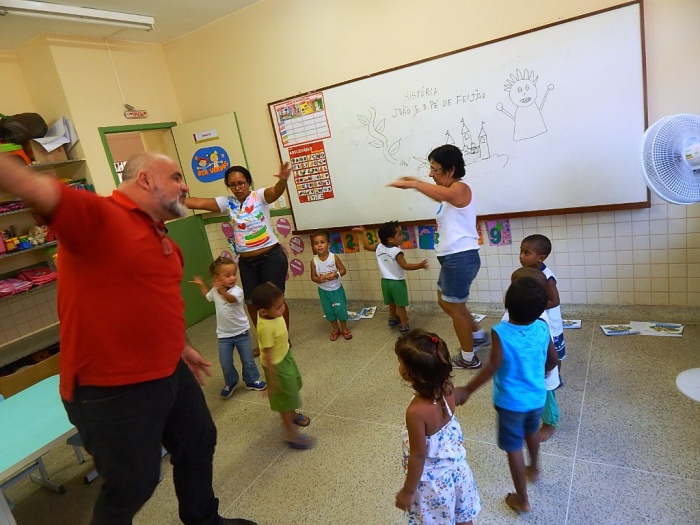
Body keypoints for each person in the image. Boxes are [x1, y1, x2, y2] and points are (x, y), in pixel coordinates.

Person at [0, 153, 257, 525]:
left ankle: (203, 519)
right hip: (109, 388)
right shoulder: (99, 216)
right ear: (146, 179)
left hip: (167, 369)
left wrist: (180, 344)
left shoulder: (161, 236)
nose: (185, 185)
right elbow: (28, 184)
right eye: (176, 176)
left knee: (198, 440)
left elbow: (154, 299)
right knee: (134, 483)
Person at [454, 277, 559, 513]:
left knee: (513, 448)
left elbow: (493, 366)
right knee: (531, 433)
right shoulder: (542, 327)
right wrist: (544, 370)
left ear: (507, 304)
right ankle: (534, 469)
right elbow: (553, 359)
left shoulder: (500, 332)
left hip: (510, 404)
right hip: (536, 398)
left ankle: (522, 499)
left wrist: (468, 389)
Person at [388, 144, 488, 369]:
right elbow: (440, 195)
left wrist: (415, 184)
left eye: (434, 169)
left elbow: (447, 194)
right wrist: (416, 182)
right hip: (453, 260)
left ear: (450, 170)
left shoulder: (461, 188)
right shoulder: (448, 194)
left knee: (455, 308)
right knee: (446, 301)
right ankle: (479, 335)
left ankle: (469, 358)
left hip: (460, 259)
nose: (430, 174)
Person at [185, 164, 292, 355]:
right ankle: (265, 342)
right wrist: (171, 195)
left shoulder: (259, 196)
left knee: (274, 300)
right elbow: (197, 203)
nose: (237, 187)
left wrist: (283, 179)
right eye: (233, 184)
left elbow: (276, 192)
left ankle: (283, 339)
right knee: (251, 303)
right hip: (246, 262)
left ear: (248, 182)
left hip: (271, 257)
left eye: (241, 183)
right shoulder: (227, 202)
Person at [394, 329, 481, 525]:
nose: (399, 366)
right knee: (463, 516)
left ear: (410, 374)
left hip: (433, 485)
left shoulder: (416, 412)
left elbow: (418, 455)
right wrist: (469, 389)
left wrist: (408, 491)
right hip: (459, 472)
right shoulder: (447, 389)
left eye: (400, 362)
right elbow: (461, 395)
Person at [189, 256, 267, 398]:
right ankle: (231, 381)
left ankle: (252, 380)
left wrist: (222, 292)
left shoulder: (237, 291)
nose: (232, 278)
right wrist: (201, 285)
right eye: (227, 275)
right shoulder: (215, 290)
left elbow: (231, 300)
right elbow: (207, 297)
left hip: (241, 333)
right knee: (225, 363)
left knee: (248, 360)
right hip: (224, 335)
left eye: (234, 274)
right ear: (216, 277)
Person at [250, 282, 315, 450]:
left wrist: (272, 287)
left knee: (292, 388)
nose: (283, 308)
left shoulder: (268, 311)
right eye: (278, 307)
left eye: (283, 303)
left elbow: (269, 286)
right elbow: (268, 356)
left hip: (285, 356)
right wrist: (272, 382)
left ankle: (292, 414)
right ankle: (291, 434)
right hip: (276, 366)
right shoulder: (265, 329)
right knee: (284, 400)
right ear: (264, 311)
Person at [519, 233, 565, 442]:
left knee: (553, 360)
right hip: (534, 324)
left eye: (526, 253)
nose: (521, 256)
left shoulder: (547, 277)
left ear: (541, 258)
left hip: (550, 326)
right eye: (521, 252)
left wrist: (533, 303)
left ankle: (550, 421)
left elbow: (554, 300)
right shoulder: (525, 273)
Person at [354, 222, 428, 333]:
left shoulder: (379, 247)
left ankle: (393, 319)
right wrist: (420, 265)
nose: (403, 236)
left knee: (391, 302)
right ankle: (404, 325)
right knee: (400, 306)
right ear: (390, 239)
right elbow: (405, 266)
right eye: (400, 234)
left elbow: (366, 246)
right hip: (397, 283)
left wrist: (364, 233)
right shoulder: (396, 251)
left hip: (385, 282)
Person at [309, 230, 352, 340]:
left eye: (322, 242)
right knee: (329, 311)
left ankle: (344, 328)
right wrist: (319, 279)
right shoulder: (314, 262)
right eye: (316, 243)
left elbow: (343, 270)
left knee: (340, 309)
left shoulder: (334, 258)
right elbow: (313, 276)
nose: (319, 245)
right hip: (323, 291)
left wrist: (336, 274)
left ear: (329, 244)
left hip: (336, 290)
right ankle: (335, 329)